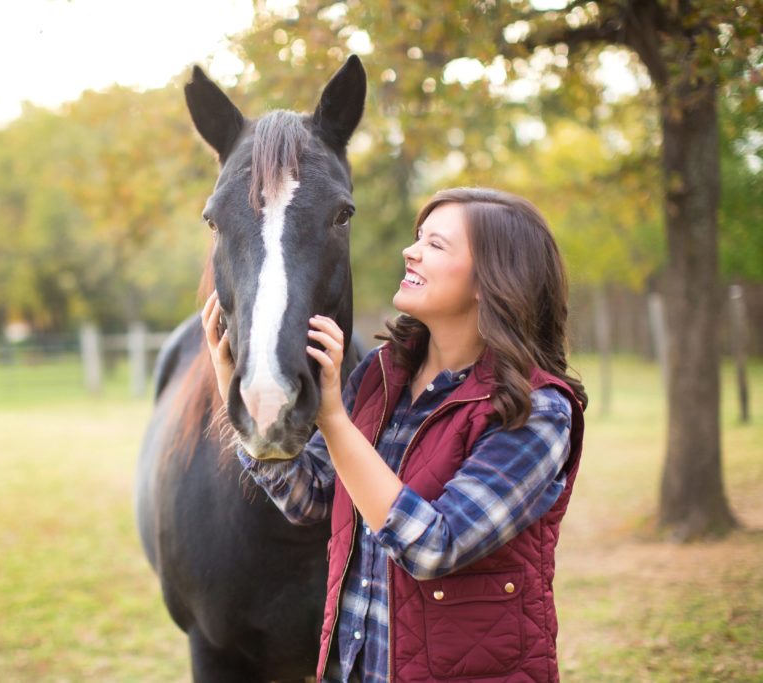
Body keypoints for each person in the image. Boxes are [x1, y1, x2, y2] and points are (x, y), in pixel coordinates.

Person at [202, 187, 587, 683]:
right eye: (417, 237)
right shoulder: (381, 377)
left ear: (490, 280)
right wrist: (239, 393)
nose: (412, 250)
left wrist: (333, 417)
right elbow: (310, 499)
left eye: (437, 244)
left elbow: (435, 546)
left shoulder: (535, 411)